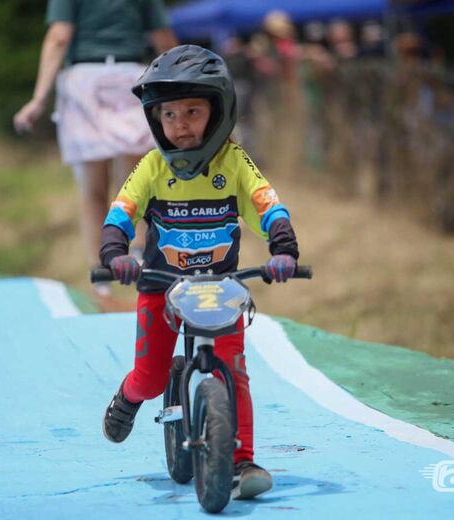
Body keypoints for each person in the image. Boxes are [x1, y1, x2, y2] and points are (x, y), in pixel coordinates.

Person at [98, 45, 301, 500]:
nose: (181, 124)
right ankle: (129, 397)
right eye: (169, 114)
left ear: (220, 112)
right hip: (161, 287)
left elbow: (269, 206)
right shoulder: (151, 167)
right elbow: (121, 214)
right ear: (155, 119)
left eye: (193, 110)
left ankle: (241, 460)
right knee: (150, 379)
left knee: (234, 369)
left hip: (221, 290)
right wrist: (115, 252)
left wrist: (283, 247)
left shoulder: (234, 163)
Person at [13, 0, 177, 295]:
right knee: (135, 182)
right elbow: (163, 38)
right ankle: (140, 253)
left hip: (84, 80)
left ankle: (102, 274)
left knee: (92, 189)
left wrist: (38, 98)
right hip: (131, 77)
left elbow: (59, 36)